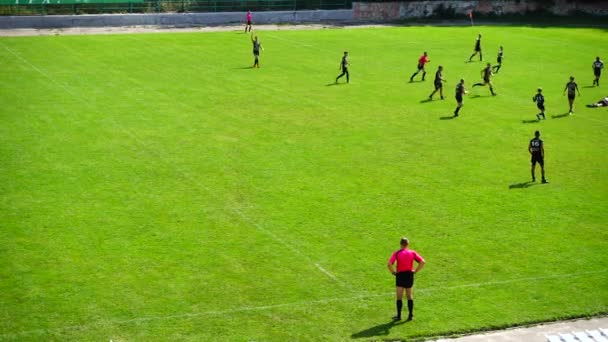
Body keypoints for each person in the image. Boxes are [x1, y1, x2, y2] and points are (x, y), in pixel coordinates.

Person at [387, 237, 425, 321]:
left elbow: (389, 264)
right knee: (409, 296)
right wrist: (415, 271)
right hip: (409, 275)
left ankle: (399, 316)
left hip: (400, 275)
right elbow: (422, 262)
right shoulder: (412, 252)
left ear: (400, 244)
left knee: (399, 297)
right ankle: (410, 315)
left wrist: (393, 272)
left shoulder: (397, 253)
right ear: (407, 244)